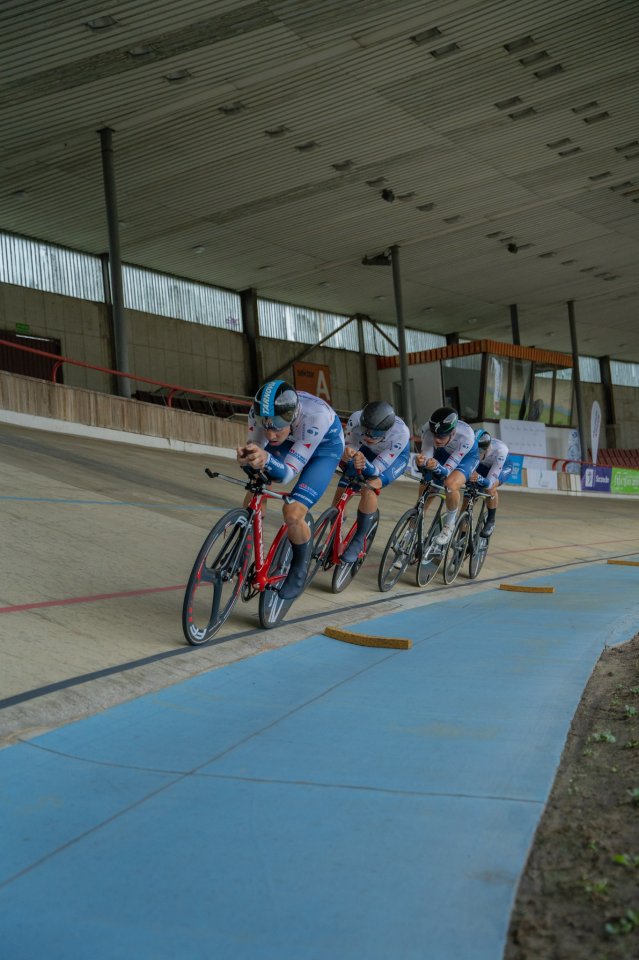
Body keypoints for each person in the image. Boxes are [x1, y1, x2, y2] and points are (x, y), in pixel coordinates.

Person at [236, 380, 344, 599]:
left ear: (292, 417)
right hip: (291, 440)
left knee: (293, 513)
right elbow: (256, 447)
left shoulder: (316, 417)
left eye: (276, 426)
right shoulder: (259, 413)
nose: (270, 434)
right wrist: (249, 458)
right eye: (266, 425)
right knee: (258, 481)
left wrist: (265, 457)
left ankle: (299, 569)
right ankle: (245, 543)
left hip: (324, 449)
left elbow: (286, 474)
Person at [337, 400, 411, 563]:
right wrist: (348, 454)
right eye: (366, 431)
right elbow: (349, 448)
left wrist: (362, 463)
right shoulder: (356, 419)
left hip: (392, 458)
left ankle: (358, 540)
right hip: (365, 452)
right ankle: (336, 533)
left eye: (375, 434)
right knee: (344, 486)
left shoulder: (401, 433)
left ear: (386, 430)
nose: (369, 436)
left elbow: (376, 470)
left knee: (369, 486)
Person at [414, 405, 479, 547]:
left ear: (453, 433)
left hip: (466, 458)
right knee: (426, 486)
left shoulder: (466, 436)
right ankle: (412, 531)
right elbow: (427, 455)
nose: (437, 439)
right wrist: (422, 461)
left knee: (450, 484)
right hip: (444, 453)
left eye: (442, 436)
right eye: (435, 434)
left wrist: (436, 466)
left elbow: (448, 469)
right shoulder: (428, 429)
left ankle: (450, 524)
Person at [470, 429, 510, 537]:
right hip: (483, 466)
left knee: (490, 489)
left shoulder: (501, 450)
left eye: (479, 452)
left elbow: (490, 482)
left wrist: (479, 478)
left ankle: (491, 520)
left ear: (487, 449)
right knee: (469, 496)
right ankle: (463, 536)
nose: (477, 455)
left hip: (501, 466)